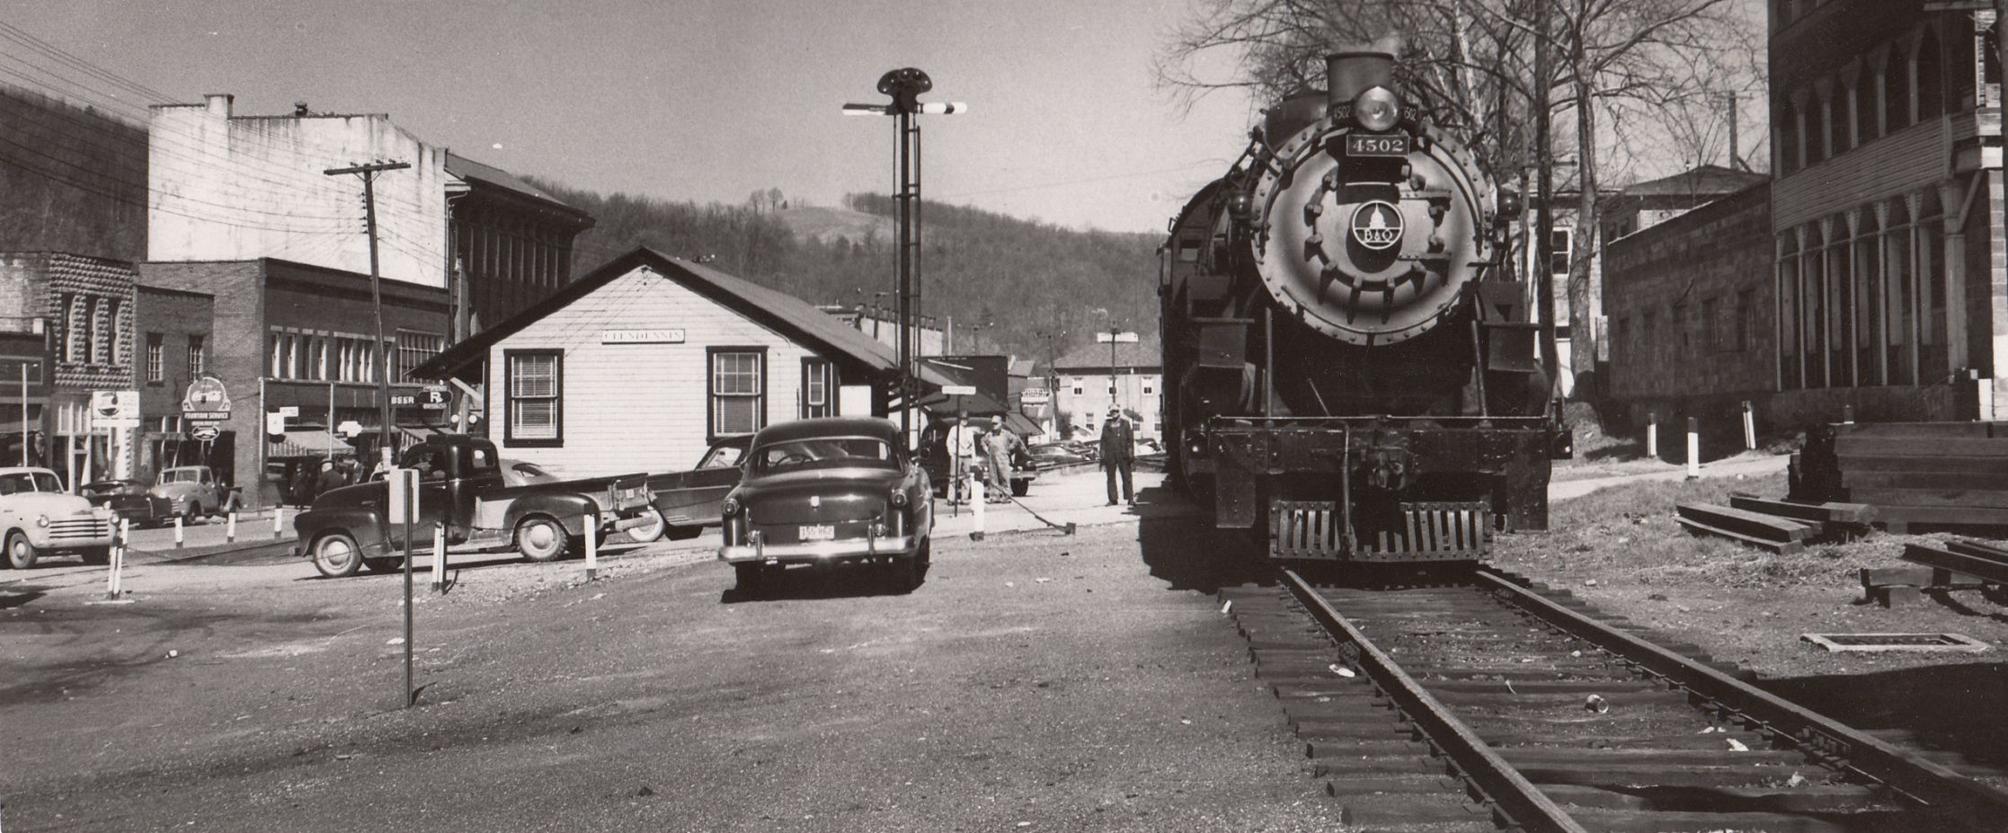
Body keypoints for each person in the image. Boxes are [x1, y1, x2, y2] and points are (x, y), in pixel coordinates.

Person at [1099, 405, 1135, 507]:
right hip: (1110, 455)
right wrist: (1102, 453)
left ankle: (1130, 498)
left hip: (1123, 454)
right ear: (1110, 413)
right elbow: (1103, 441)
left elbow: (1130, 440)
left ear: (1119, 412)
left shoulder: (1125, 424)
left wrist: (1131, 452)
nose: (1114, 413)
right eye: (1112, 411)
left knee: (1127, 476)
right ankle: (1113, 499)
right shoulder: (1106, 425)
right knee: (1110, 477)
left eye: (1116, 411)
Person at [944, 411, 979, 504]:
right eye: (962, 419)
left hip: (967, 456)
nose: (964, 421)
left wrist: (974, 459)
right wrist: (951, 454)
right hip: (957, 456)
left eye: (966, 419)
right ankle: (951, 498)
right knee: (954, 477)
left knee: (966, 478)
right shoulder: (954, 429)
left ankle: (964, 498)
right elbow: (948, 442)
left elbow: (972, 446)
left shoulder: (969, 431)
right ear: (959, 419)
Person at [983, 422, 1015, 503]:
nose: (994, 425)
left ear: (1000, 424)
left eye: (996, 423)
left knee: (1004, 477)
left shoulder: (1006, 434)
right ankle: (994, 496)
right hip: (992, 458)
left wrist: (1010, 448)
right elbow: (983, 441)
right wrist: (986, 449)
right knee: (993, 478)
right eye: (993, 423)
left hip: (1003, 458)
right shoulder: (989, 434)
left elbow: (1015, 440)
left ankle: (1006, 496)